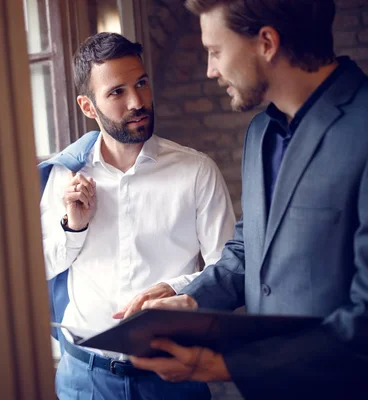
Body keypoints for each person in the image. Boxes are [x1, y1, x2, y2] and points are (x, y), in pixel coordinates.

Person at [128, 1, 368, 399]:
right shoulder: (259, 133)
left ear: (267, 43)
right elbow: (249, 248)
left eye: (216, 51)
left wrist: (221, 365)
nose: (211, 69)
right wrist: (190, 300)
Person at [39, 32, 235, 400]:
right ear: (87, 106)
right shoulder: (65, 177)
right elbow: (38, 272)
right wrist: (73, 227)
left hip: (172, 379)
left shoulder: (196, 171)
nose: (137, 101)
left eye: (141, 84)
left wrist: (177, 288)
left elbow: (227, 271)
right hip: (84, 379)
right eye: (116, 92)